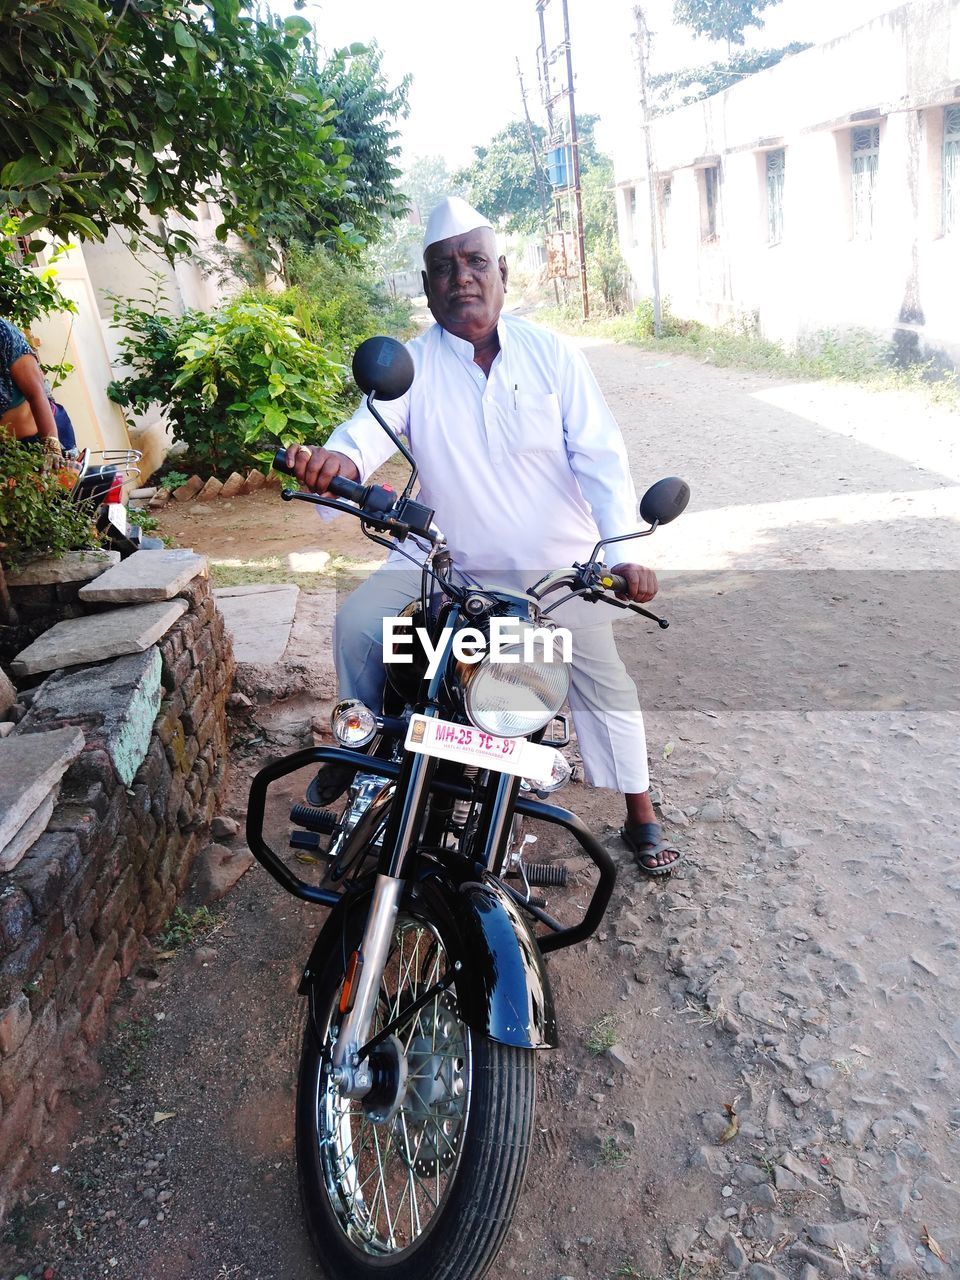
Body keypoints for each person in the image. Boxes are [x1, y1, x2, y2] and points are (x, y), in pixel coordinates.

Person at [285, 197, 682, 876]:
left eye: (474, 262)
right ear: (427, 284)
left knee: (604, 684)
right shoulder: (411, 364)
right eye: (444, 267)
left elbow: (601, 458)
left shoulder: (552, 354)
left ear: (501, 271)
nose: (461, 277)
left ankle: (640, 810)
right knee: (359, 625)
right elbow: (362, 435)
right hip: (443, 562)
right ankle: (369, 747)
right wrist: (335, 464)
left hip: (553, 571)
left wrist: (623, 556)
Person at [0, 317, 63, 456]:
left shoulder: (3, 332)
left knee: (68, 476)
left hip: (41, 437)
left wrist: (52, 449)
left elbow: (36, 393)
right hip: (7, 457)